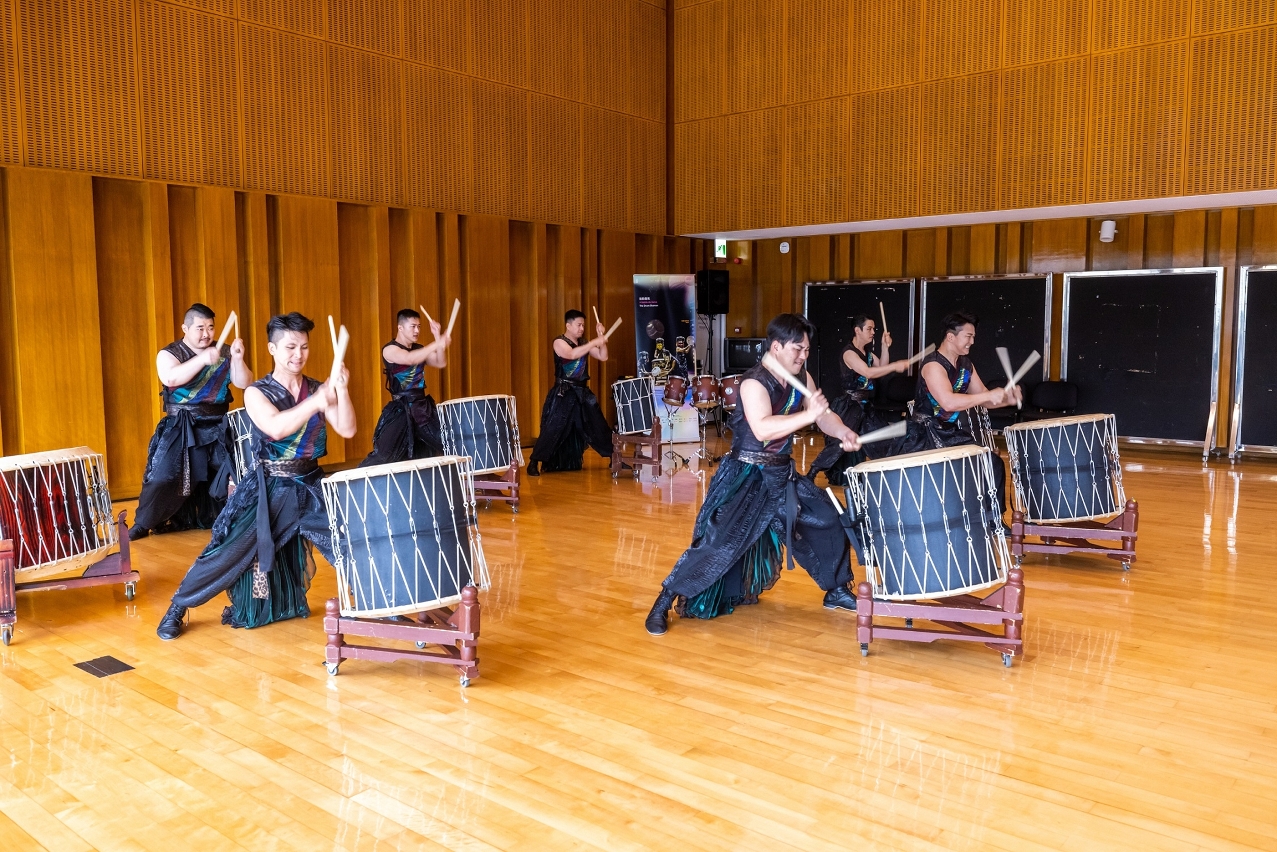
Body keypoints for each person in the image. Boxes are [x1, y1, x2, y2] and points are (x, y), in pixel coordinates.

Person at [645, 313, 864, 636]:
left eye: (806, 349)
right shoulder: (753, 382)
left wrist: (843, 431)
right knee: (717, 544)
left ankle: (836, 589)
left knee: (828, 518)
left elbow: (823, 415)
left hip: (780, 474)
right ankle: (663, 601)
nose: (803, 355)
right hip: (746, 475)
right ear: (777, 347)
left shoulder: (801, 376)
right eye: (798, 349)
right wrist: (809, 415)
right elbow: (763, 428)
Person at [156, 312, 356, 640]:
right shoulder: (256, 392)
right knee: (228, 551)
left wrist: (341, 391)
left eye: (304, 347)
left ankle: (386, 604)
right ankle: (178, 607)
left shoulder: (316, 388)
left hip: (311, 485)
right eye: (290, 347)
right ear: (272, 349)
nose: (299, 355)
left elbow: (347, 428)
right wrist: (317, 402)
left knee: (350, 542)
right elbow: (276, 427)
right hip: (271, 489)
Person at [129, 303, 253, 540]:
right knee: (163, 477)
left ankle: (239, 521)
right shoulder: (169, 353)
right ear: (185, 328)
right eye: (200, 328)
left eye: (210, 328)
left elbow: (244, 383)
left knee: (239, 472)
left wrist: (238, 359)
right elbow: (171, 378)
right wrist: (203, 359)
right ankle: (143, 523)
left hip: (219, 425)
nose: (206, 334)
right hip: (182, 426)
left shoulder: (225, 351)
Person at [893, 310, 1020, 516]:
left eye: (973, 337)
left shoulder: (966, 365)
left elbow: (985, 399)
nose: (972, 342)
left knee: (991, 463)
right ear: (951, 337)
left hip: (948, 432)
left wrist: (1008, 399)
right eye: (968, 336)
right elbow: (948, 402)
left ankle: (992, 520)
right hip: (922, 435)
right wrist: (988, 395)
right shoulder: (933, 365)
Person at [806, 313, 907, 486]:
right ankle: (811, 474)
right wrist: (894, 366)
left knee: (881, 437)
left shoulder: (867, 354)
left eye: (874, 329)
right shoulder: (849, 353)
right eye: (869, 329)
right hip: (850, 405)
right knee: (839, 443)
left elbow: (881, 369)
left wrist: (885, 347)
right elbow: (868, 372)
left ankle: (886, 475)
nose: (873, 332)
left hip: (865, 406)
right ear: (857, 330)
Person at [359, 308, 450, 467]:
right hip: (401, 409)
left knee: (447, 443)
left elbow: (440, 362)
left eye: (419, 326)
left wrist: (437, 337)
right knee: (384, 456)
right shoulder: (390, 349)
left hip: (422, 409)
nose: (417, 331)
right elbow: (409, 359)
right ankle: (356, 480)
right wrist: (436, 343)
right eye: (413, 326)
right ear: (400, 327)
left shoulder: (419, 349)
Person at [527, 310, 613, 476]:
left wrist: (601, 339)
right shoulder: (559, 342)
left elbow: (603, 357)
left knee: (598, 424)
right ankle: (534, 462)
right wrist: (594, 342)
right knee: (553, 428)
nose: (582, 328)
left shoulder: (584, 342)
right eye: (578, 325)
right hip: (564, 392)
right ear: (568, 325)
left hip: (582, 392)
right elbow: (572, 354)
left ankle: (614, 458)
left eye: (583, 325)